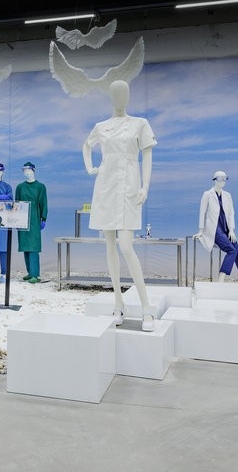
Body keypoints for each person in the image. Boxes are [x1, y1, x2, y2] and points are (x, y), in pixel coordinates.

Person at [82, 80, 158, 332]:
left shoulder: (140, 124)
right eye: (115, 93)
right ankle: (118, 302)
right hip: (105, 186)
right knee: (109, 245)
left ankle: (146, 307)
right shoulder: (101, 126)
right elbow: (86, 145)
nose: (119, 97)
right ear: (110, 96)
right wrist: (90, 167)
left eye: (123, 92)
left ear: (128, 95)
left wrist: (145, 186)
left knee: (126, 245)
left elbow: (147, 154)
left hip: (129, 188)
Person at [194, 171, 238, 282]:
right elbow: (202, 213)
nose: (223, 181)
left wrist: (232, 230)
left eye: (225, 178)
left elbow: (231, 214)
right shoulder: (207, 194)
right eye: (220, 178)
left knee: (237, 252)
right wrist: (200, 231)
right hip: (215, 230)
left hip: (227, 229)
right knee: (232, 251)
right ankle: (221, 279)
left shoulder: (227, 195)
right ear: (215, 179)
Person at [15, 161, 48, 283]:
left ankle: (35, 274)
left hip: (34, 217)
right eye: (24, 171)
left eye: (29, 171)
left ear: (34, 171)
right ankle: (29, 272)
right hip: (22, 218)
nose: (27, 173)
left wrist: (43, 217)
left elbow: (43, 202)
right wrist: (15, 219)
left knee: (33, 246)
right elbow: (16, 204)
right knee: (25, 246)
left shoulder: (40, 187)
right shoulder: (20, 187)